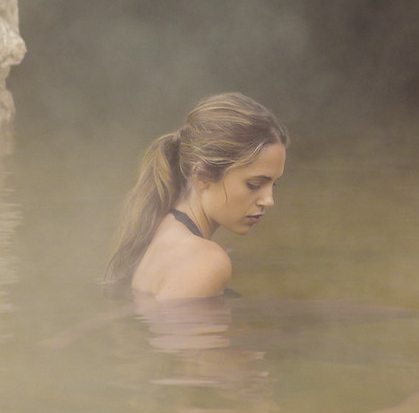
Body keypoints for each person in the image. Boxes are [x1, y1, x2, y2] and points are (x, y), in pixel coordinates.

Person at [106, 93, 287, 301]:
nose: (268, 200)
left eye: (273, 184)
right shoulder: (205, 260)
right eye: (254, 184)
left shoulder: (159, 228)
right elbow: (177, 333)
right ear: (203, 176)